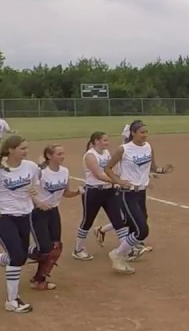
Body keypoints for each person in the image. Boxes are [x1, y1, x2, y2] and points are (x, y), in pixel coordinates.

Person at [0, 135, 45, 314]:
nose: (26, 151)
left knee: (18, 257)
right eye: (22, 148)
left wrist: (35, 194)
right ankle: (12, 301)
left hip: (24, 215)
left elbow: (33, 186)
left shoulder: (31, 167)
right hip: (3, 217)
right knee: (17, 256)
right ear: (10, 150)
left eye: (26, 148)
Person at [104, 120, 173, 263]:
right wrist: (118, 181)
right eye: (142, 132)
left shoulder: (148, 147)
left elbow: (152, 167)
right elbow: (108, 168)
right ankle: (118, 253)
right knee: (142, 229)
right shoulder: (123, 149)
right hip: (127, 193)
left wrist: (163, 170)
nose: (145, 135)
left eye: (146, 132)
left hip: (141, 193)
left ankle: (129, 251)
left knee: (139, 221)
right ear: (133, 133)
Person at [72, 131, 137, 274]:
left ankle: (126, 250)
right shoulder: (90, 155)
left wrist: (119, 178)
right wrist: (118, 181)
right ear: (96, 141)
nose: (107, 143)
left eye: (107, 140)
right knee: (87, 221)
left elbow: (111, 170)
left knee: (118, 220)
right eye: (104, 140)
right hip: (94, 191)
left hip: (109, 191)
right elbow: (99, 175)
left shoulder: (106, 153)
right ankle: (78, 249)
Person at [26, 144, 82, 290]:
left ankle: (39, 280)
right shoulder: (40, 172)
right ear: (49, 156)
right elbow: (29, 190)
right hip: (38, 212)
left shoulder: (64, 171)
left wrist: (78, 192)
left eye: (63, 153)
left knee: (55, 248)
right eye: (58, 154)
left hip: (53, 212)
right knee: (44, 248)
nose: (62, 156)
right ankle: (23, 250)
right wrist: (38, 203)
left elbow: (66, 193)